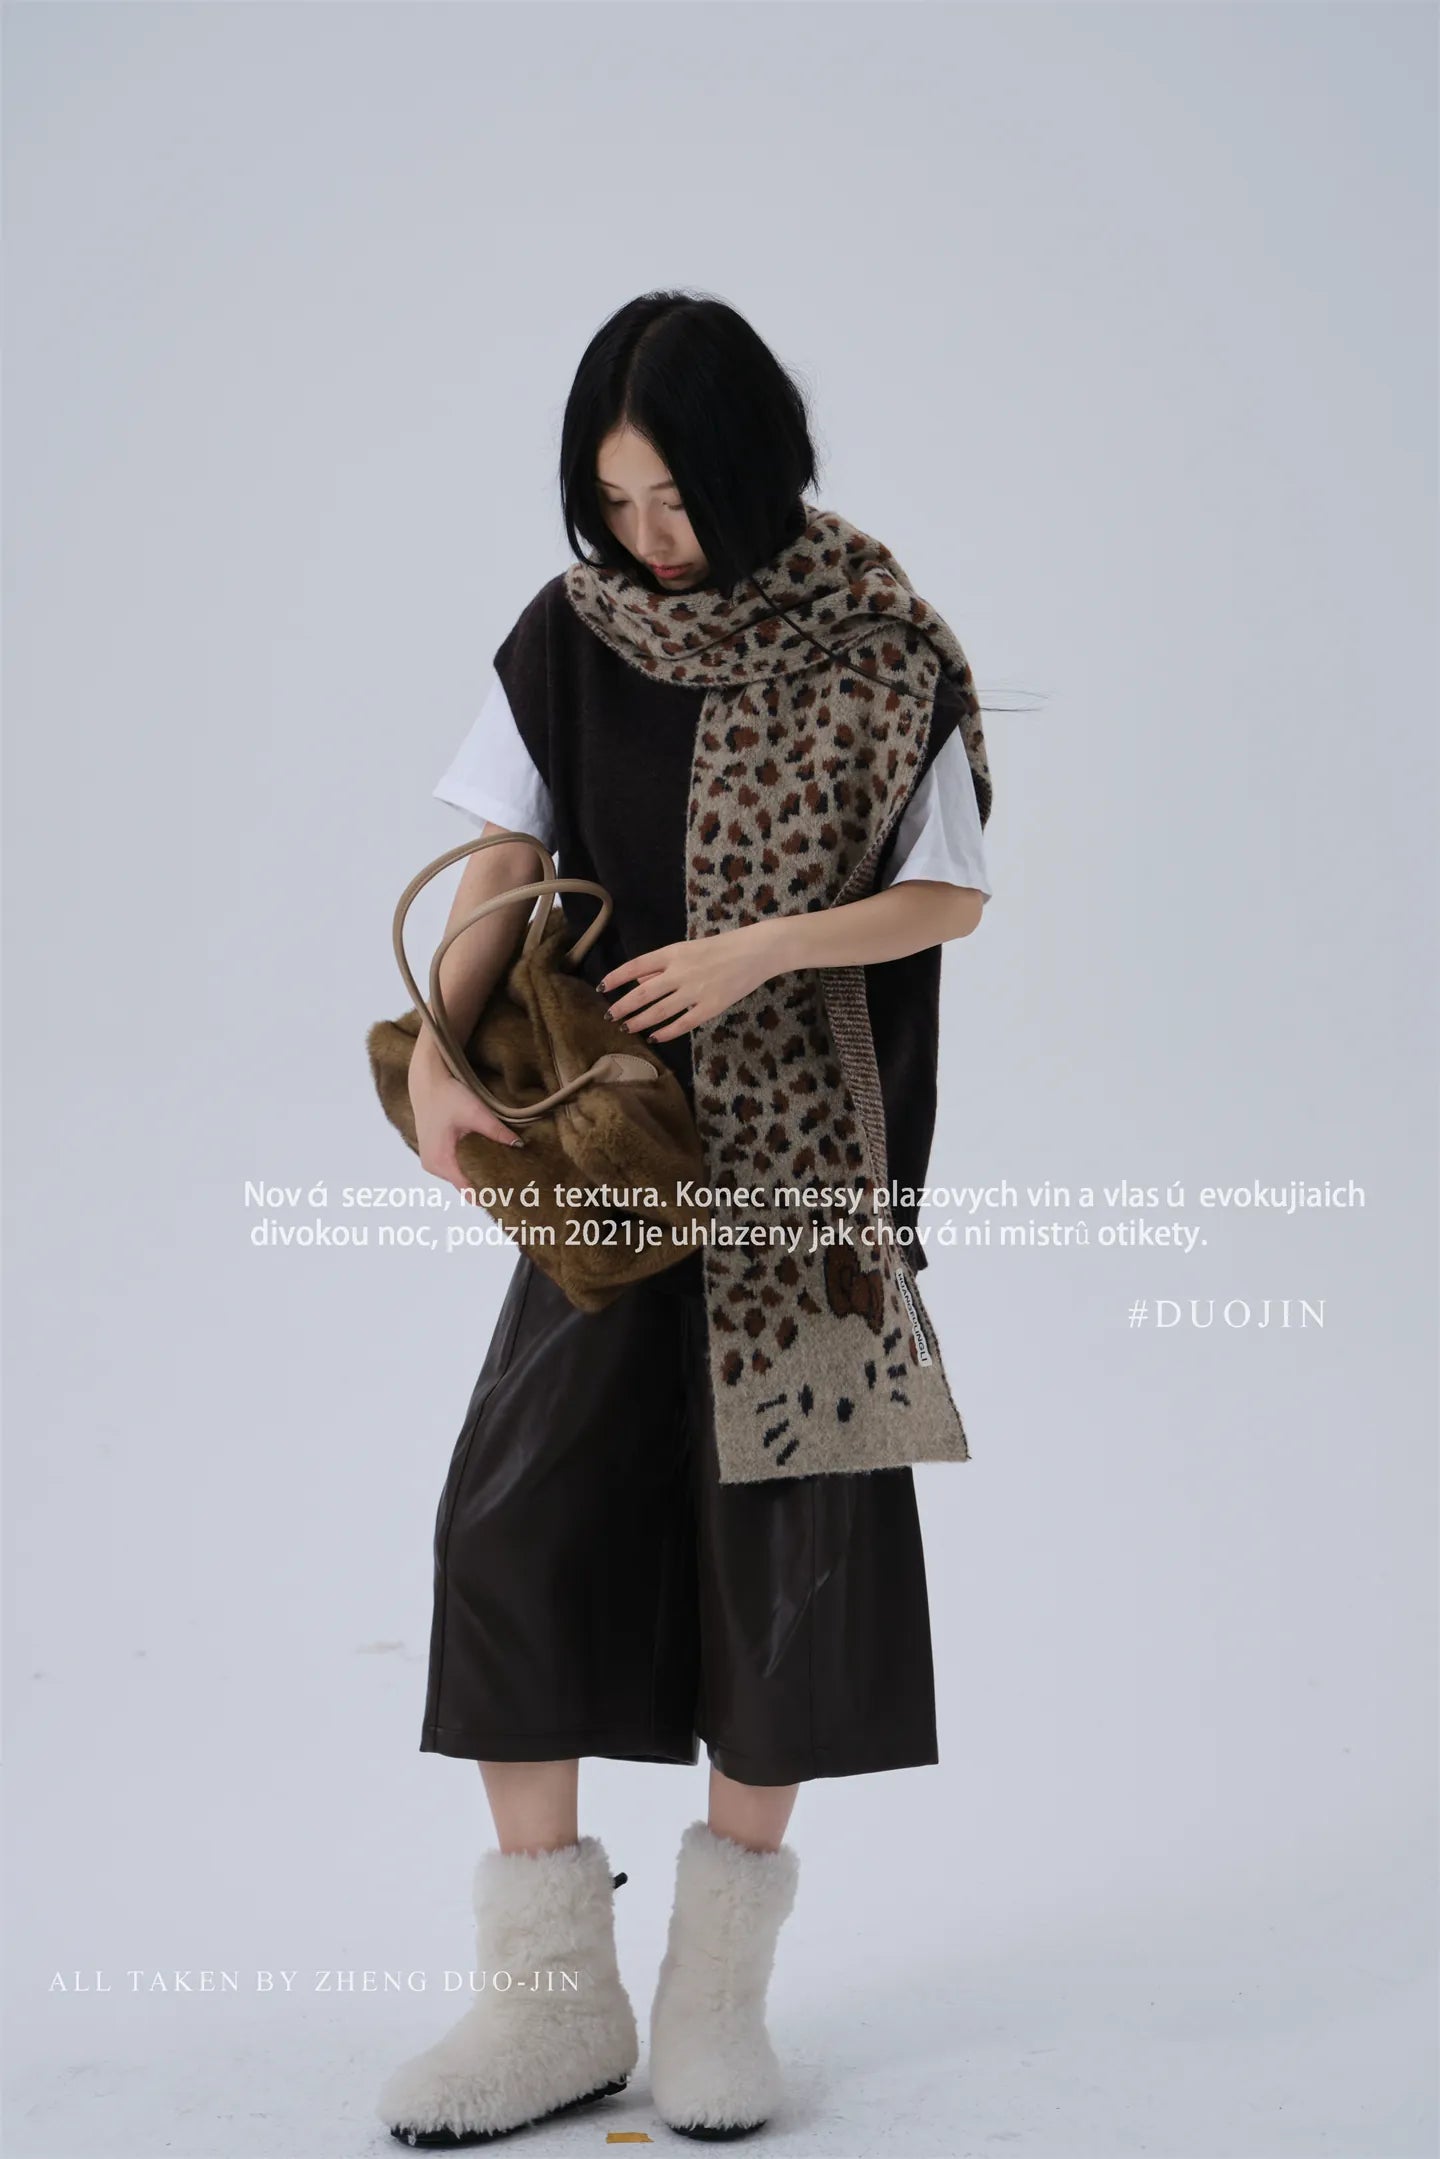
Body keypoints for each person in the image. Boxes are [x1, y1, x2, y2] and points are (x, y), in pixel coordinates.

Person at [375, 291, 993, 2150]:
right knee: (513, 1529)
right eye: (615, 498)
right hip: (614, 1167)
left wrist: (757, 950)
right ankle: (550, 2007)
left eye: (676, 495)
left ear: (756, 466)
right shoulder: (571, 639)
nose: (649, 535)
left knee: (778, 1573)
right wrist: (436, 1059)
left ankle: (716, 2007)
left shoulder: (885, 652)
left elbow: (946, 899)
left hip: (804, 1194)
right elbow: (505, 855)